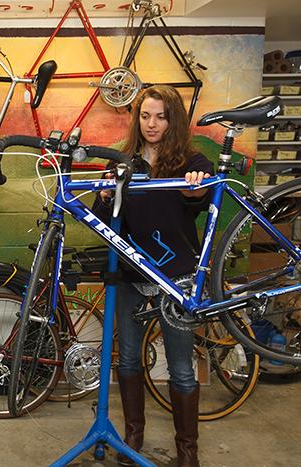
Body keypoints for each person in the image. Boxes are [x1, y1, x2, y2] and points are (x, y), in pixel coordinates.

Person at [92, 85, 214, 467]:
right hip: (131, 273)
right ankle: (133, 437)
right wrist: (106, 196)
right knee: (128, 359)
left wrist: (197, 191)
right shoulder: (123, 162)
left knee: (180, 366)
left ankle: (187, 452)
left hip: (176, 276)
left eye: (160, 116)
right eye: (145, 115)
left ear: (173, 119)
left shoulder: (193, 162)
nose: (152, 123)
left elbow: (205, 202)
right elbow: (102, 217)